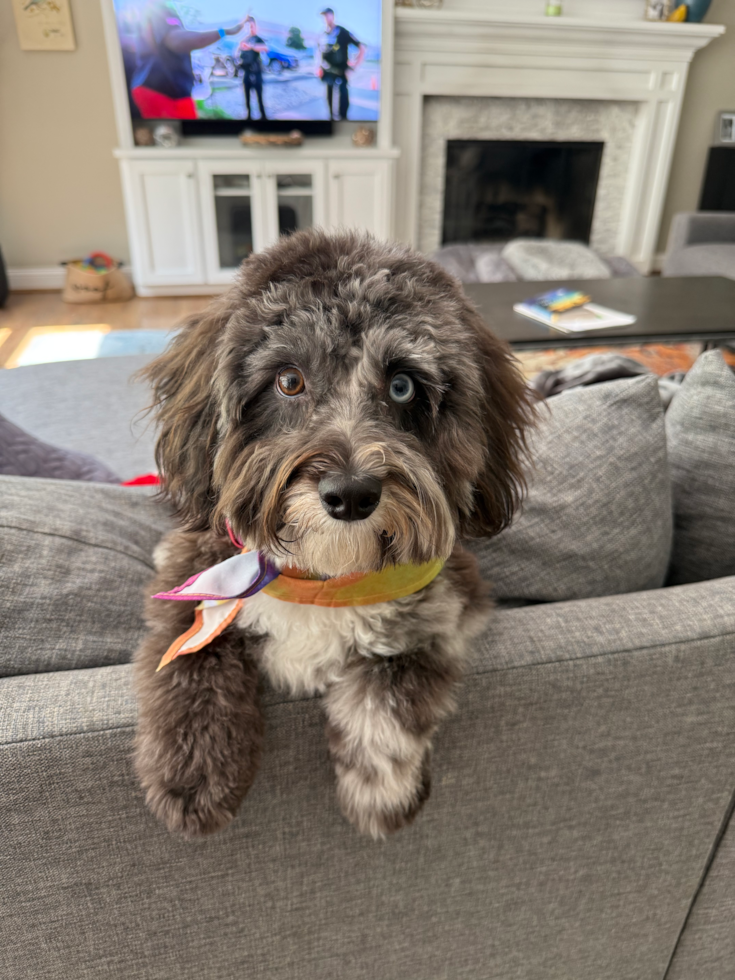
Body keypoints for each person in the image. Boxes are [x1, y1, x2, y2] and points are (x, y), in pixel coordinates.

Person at [129, 0, 247, 119]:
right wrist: (224, 31)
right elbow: (177, 40)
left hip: (168, 91)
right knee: (189, 134)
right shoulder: (157, 9)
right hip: (161, 92)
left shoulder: (153, 10)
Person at [319, 7, 365, 122]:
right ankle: (331, 121)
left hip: (341, 72)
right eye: (323, 16)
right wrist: (319, 67)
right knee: (329, 97)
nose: (325, 18)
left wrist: (354, 67)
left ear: (332, 16)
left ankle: (343, 121)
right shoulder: (323, 35)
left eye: (327, 15)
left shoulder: (342, 32)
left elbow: (362, 47)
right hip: (328, 73)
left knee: (342, 99)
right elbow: (320, 52)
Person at [238, 16, 268, 121]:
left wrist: (251, 46)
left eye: (252, 26)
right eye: (248, 26)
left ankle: (263, 117)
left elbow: (265, 48)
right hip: (246, 72)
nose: (250, 28)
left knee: (259, 96)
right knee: (247, 97)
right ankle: (248, 116)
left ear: (255, 26)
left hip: (256, 72)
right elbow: (237, 53)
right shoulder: (244, 39)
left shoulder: (258, 39)